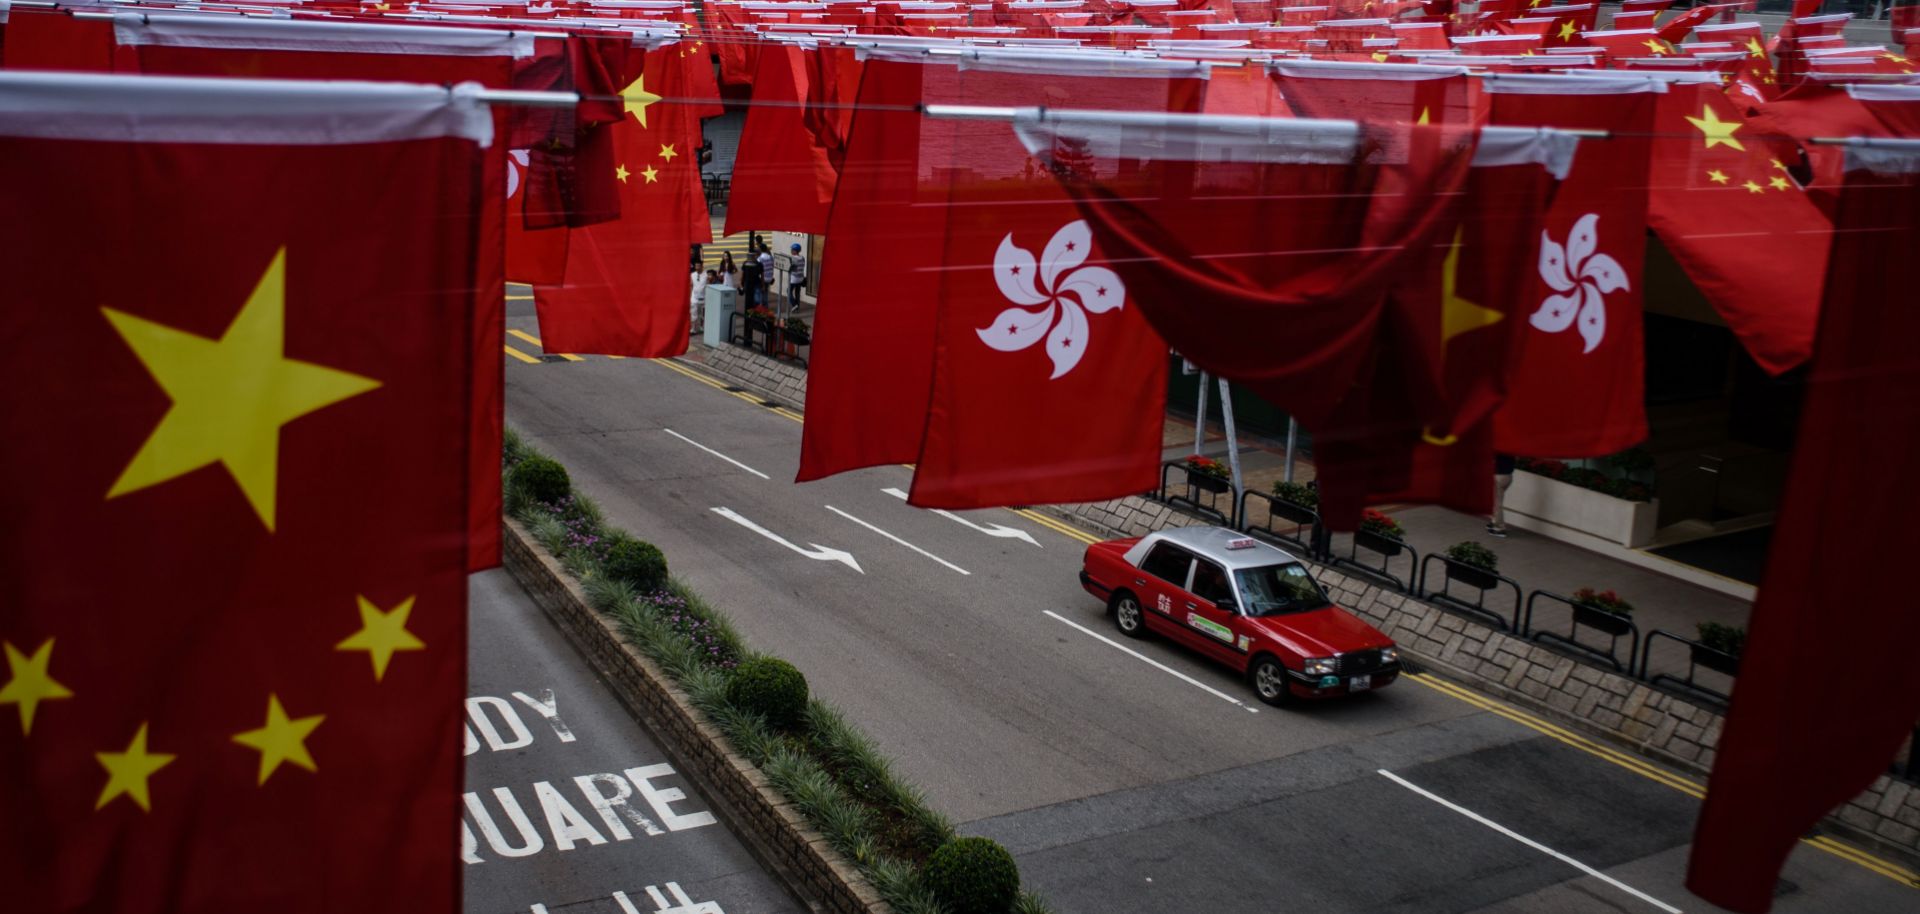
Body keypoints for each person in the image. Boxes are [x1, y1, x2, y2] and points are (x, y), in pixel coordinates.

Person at [1487, 452, 1515, 538]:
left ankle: (1499, 528)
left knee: (1497, 503)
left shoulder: (1499, 448)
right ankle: (1494, 521)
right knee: (1496, 500)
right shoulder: (1510, 448)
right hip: (1508, 477)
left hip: (1498, 476)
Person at [691, 268, 715, 333]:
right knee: (694, 314)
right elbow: (691, 284)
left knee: (703, 314)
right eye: (696, 265)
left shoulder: (706, 275)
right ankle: (693, 328)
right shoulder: (692, 274)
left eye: (699, 265)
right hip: (695, 298)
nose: (697, 267)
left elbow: (712, 280)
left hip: (704, 298)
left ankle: (702, 327)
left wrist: (710, 278)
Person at [740, 242, 763, 308]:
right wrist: (741, 284)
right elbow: (742, 274)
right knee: (749, 299)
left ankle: (755, 312)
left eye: (757, 255)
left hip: (756, 284)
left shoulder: (759, 264)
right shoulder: (746, 263)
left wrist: (763, 285)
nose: (755, 256)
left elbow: (762, 275)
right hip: (747, 284)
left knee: (757, 300)